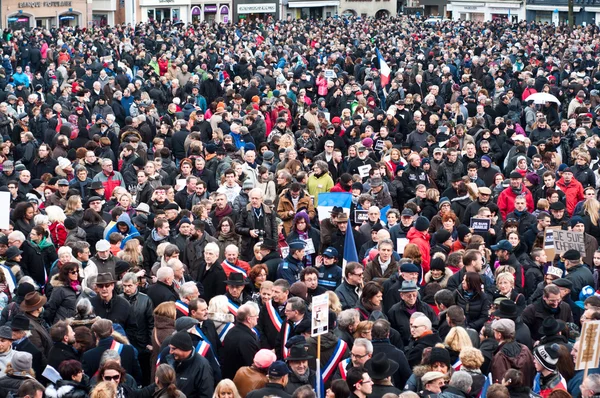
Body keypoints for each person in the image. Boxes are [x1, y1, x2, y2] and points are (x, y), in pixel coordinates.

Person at [81, 318, 142, 384]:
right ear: (112, 330)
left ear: (95, 334)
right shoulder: (128, 350)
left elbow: (86, 380)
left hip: (101, 392)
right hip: (126, 390)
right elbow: (137, 375)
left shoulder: (88, 355)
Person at [159, 330, 214, 398]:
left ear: (184, 348)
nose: (170, 352)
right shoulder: (169, 360)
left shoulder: (202, 366)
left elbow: (206, 394)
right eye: (170, 348)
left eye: (173, 349)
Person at [221, 302, 260, 380]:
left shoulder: (232, 331)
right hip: (242, 380)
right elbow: (251, 364)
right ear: (249, 319)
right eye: (255, 316)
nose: (257, 317)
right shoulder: (246, 339)